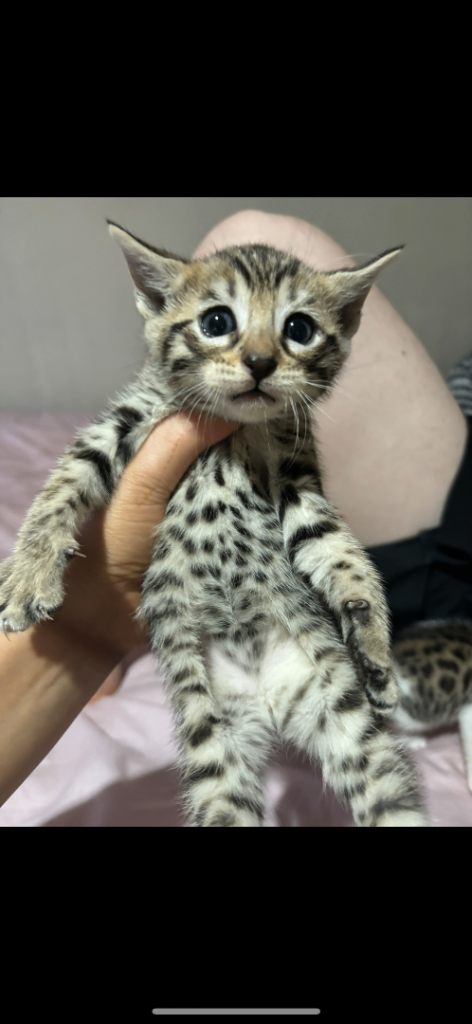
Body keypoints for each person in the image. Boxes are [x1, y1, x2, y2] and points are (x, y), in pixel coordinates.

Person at [0, 209, 469, 808]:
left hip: (286, 619)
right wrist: (41, 551)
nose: (258, 355)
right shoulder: (160, 403)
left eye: (297, 330)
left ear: (346, 323)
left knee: (373, 776)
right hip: (197, 625)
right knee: (222, 788)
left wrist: (359, 598)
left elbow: (309, 514)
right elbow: (86, 462)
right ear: (155, 300)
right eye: (219, 322)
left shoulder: (287, 434)